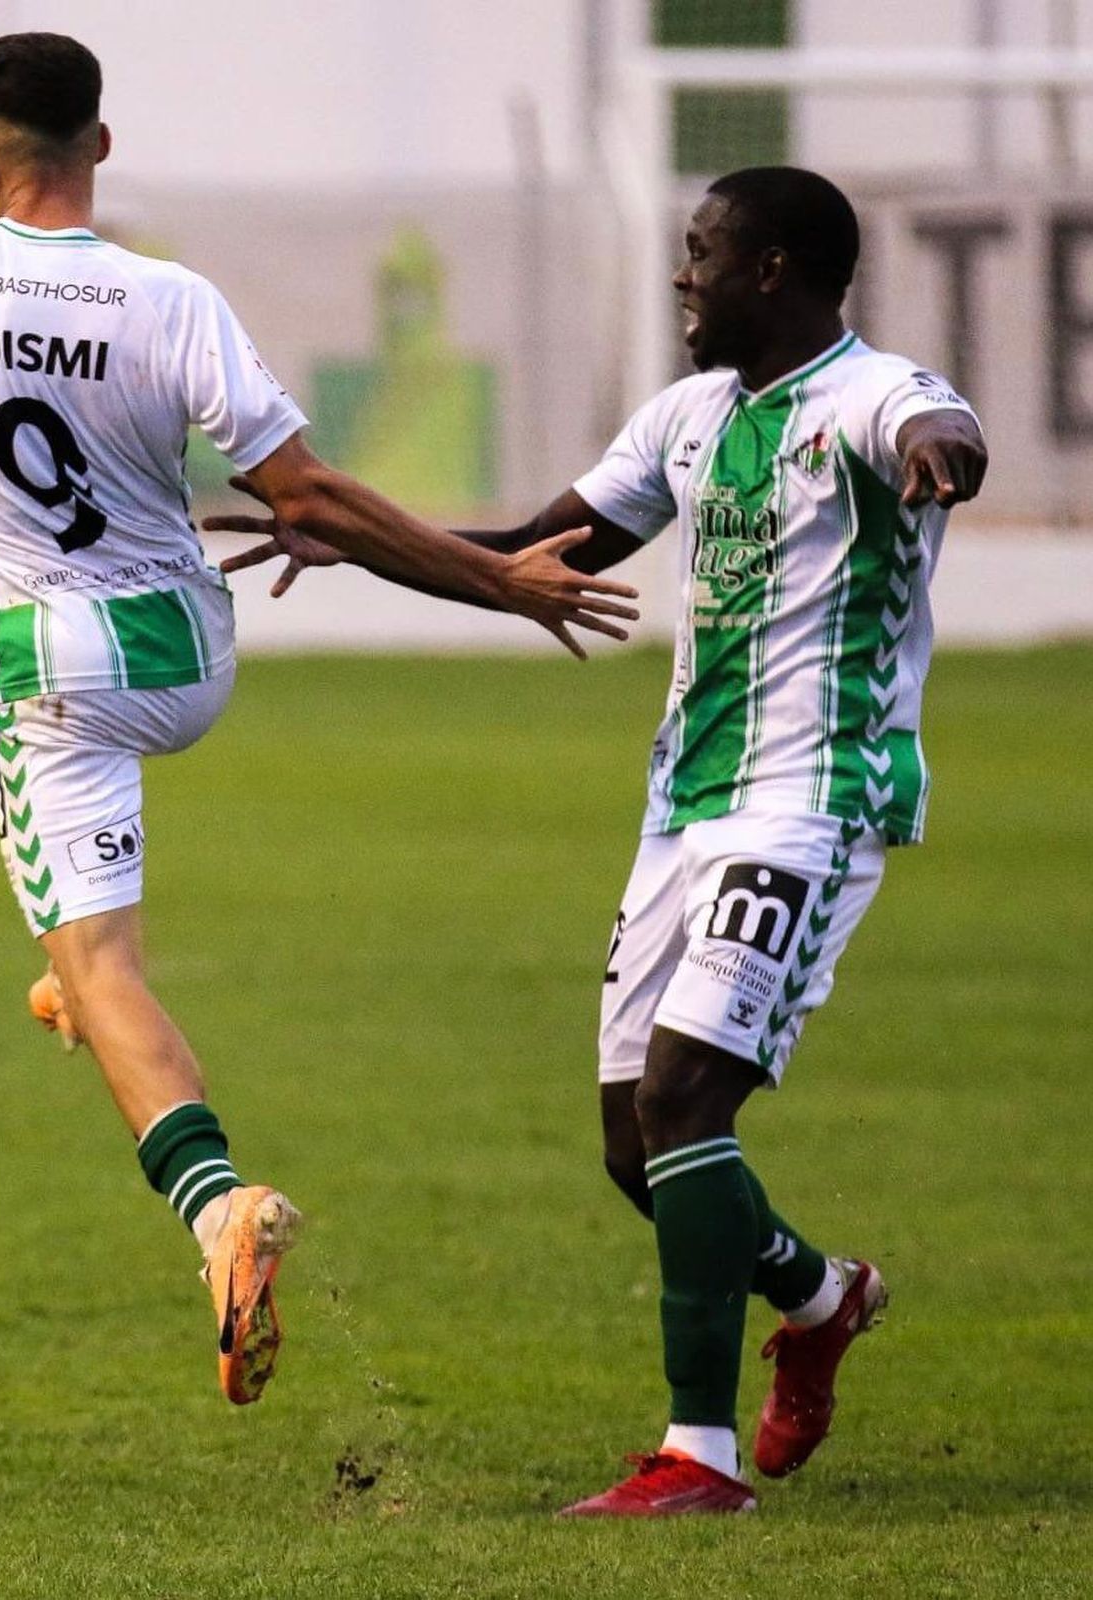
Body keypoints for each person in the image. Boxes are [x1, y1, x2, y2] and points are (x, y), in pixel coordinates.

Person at [0, 32, 639, 1408]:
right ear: (102, 144)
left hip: (46, 671)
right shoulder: (170, 300)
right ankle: (78, 983)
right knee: (85, 958)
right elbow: (311, 497)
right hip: (186, 651)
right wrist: (499, 582)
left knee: (100, 966)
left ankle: (214, 1205)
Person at [215, 166, 986, 1502]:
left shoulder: (870, 397)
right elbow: (536, 547)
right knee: (639, 1146)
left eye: (704, 252)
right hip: (684, 806)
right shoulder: (691, 418)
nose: (683, 275)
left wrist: (943, 456)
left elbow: (940, 422)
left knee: (692, 1099)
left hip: (813, 801)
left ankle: (700, 1457)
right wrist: (367, 546)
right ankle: (819, 1301)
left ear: (775, 271)